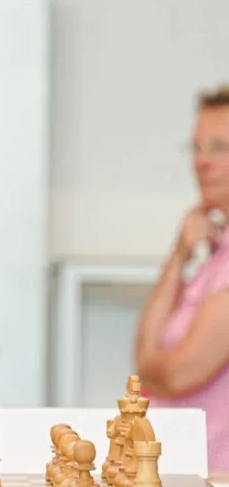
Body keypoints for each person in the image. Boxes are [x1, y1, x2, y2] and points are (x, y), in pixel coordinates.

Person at [135, 84, 229, 471]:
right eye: (197, 147)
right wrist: (179, 255)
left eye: (220, 148)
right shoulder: (214, 253)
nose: (202, 162)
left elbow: (174, 376)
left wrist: (150, 370)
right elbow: (145, 356)